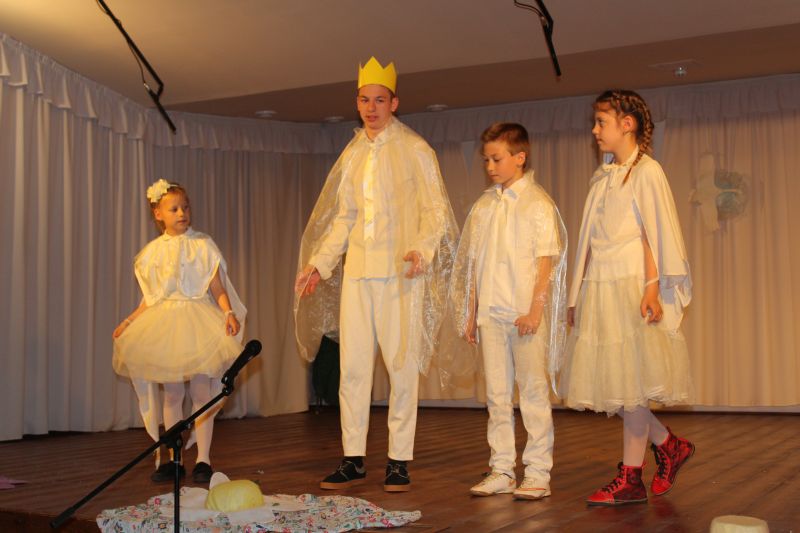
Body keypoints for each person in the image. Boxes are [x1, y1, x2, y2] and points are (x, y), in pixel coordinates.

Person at [294, 57, 459, 492]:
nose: (371, 108)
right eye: (365, 100)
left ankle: (399, 460)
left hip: (399, 274)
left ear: (394, 103)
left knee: (401, 366)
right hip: (359, 274)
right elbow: (344, 218)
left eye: (380, 100)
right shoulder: (352, 155)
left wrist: (422, 249)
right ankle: (353, 458)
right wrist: (319, 263)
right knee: (352, 367)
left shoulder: (416, 149)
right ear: (357, 103)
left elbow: (436, 210)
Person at [559, 90, 695, 506]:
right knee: (614, 383)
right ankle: (667, 445)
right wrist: (577, 294)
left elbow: (654, 232)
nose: (595, 130)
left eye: (602, 122)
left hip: (630, 286)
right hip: (601, 286)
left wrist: (652, 286)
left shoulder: (647, 172)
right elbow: (590, 240)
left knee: (629, 385)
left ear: (627, 124)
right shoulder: (604, 176)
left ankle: (632, 475)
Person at [450, 123, 567, 500]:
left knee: (532, 393)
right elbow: (475, 263)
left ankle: (537, 472)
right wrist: (472, 311)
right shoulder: (484, 206)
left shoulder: (537, 203)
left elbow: (546, 262)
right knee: (497, 396)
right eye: (486, 160)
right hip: (492, 314)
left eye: (497, 159)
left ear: (520, 157)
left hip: (524, 315)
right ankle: (502, 469)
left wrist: (535, 310)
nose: (490, 167)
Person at [113, 179, 247, 484]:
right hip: (167, 326)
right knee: (172, 394)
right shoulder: (152, 253)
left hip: (198, 322)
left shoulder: (203, 245)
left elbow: (216, 287)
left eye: (185, 207)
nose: (182, 213)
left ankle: (204, 459)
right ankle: (174, 459)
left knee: (202, 392)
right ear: (158, 214)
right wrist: (129, 322)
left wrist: (228, 312)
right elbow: (151, 298)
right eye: (174, 209)